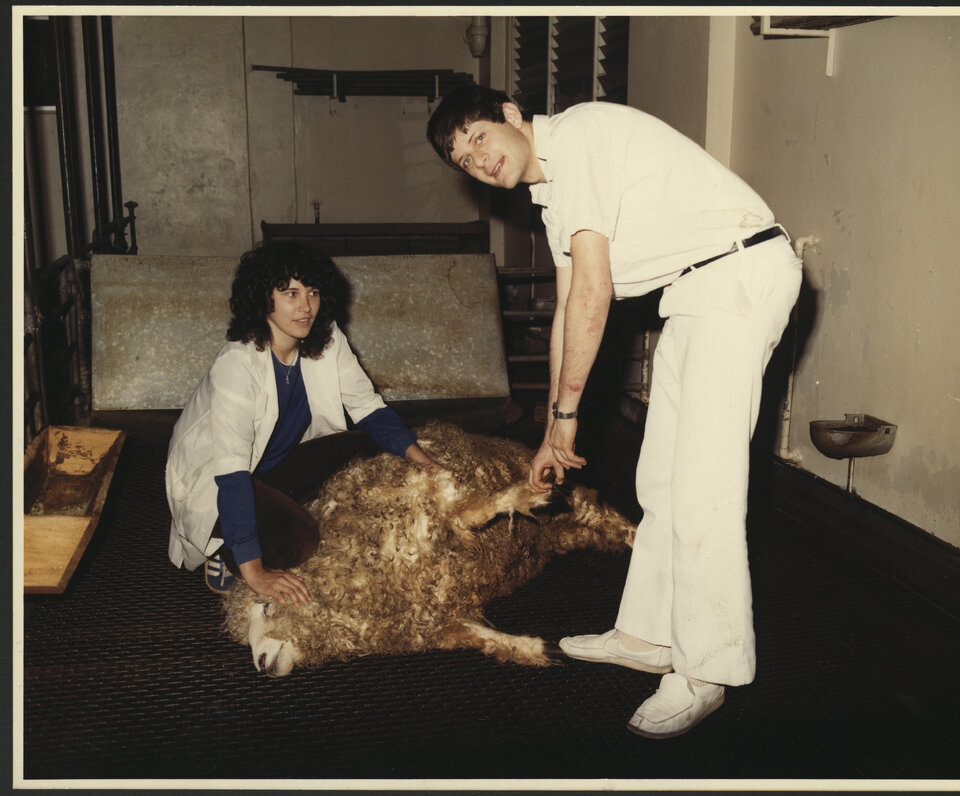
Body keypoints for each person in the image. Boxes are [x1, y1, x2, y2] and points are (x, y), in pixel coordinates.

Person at [427, 85, 802, 738]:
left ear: (513, 116)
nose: (477, 161)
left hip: (738, 277)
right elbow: (566, 315)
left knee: (706, 489)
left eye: (480, 137)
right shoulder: (553, 194)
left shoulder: (581, 136)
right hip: (695, 292)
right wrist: (550, 428)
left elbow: (595, 293)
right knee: (662, 478)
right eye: (463, 160)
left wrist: (569, 417)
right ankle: (651, 633)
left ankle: (707, 671)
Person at [166, 240, 440, 604]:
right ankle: (225, 552)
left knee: (367, 445)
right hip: (218, 484)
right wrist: (255, 573)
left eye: (312, 292)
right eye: (290, 293)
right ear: (263, 297)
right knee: (301, 540)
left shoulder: (325, 339)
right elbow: (231, 475)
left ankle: (277, 511)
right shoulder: (237, 365)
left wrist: (423, 462)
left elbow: (367, 407)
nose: (306, 306)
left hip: (275, 467)